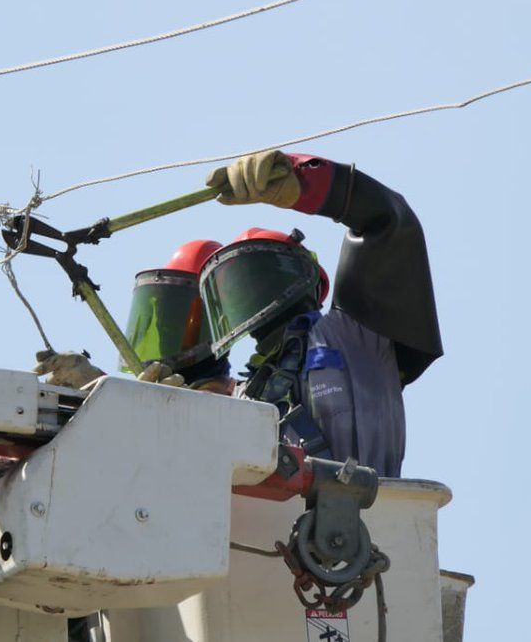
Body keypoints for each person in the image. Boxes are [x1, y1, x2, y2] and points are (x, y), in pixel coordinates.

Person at [199, 150, 442, 477]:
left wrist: (302, 179)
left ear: (307, 278)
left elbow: (388, 221)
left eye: (259, 273)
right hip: (275, 525)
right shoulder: (241, 397)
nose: (252, 292)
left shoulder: (354, 333)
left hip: (373, 516)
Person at [34, 240, 230, 392]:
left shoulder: (241, 400)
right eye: (162, 315)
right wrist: (94, 384)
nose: (165, 328)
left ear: (217, 324)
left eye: (179, 315)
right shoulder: (154, 386)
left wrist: (181, 407)